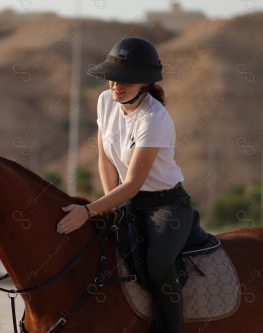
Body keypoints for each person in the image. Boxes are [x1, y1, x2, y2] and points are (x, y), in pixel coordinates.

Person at [56, 37, 193, 333]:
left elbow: (132, 182)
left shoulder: (154, 119)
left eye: (127, 81)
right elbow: (105, 159)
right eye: (113, 78)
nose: (117, 86)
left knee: (157, 264)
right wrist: (110, 203)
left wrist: (89, 211)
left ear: (144, 83)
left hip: (166, 205)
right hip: (126, 199)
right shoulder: (106, 102)